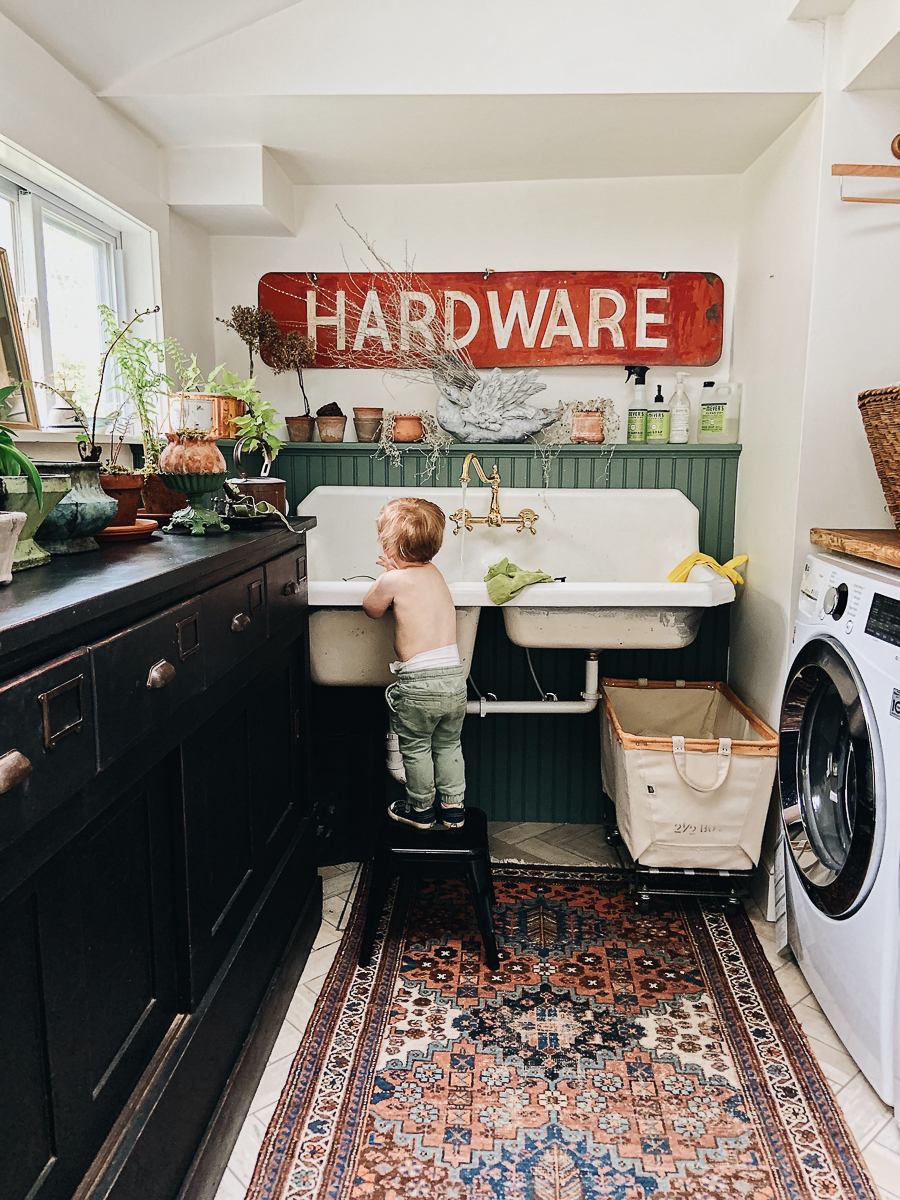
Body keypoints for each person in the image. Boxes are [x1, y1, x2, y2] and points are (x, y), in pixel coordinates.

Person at [363, 496, 467, 830]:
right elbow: (416, 587)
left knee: (417, 748)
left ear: (390, 546)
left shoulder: (393, 580)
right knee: (449, 744)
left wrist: (386, 580)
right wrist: (399, 570)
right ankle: (453, 808)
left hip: (419, 686)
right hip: (454, 681)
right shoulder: (435, 573)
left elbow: (372, 608)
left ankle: (421, 809)